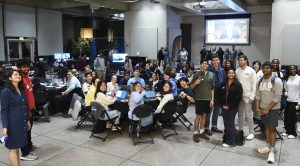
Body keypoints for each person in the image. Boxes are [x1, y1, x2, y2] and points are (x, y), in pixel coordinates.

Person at [1, 70, 31, 166]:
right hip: (12, 125)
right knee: (13, 148)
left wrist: (27, 121)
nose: (18, 75)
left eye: (19, 74)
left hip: (21, 123)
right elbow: (4, 110)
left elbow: (25, 107)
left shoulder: (21, 90)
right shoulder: (6, 92)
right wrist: (5, 127)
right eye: (15, 74)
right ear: (10, 78)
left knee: (17, 146)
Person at [256, 61, 283, 164]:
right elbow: (258, 94)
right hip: (262, 109)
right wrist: (258, 107)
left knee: (272, 129)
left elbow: (278, 97)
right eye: (264, 68)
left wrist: (267, 108)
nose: (265, 70)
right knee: (266, 127)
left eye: (267, 68)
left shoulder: (276, 81)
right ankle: (267, 146)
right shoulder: (260, 81)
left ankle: (272, 151)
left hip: (273, 109)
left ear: (272, 69)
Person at [17, 59, 38, 161]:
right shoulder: (20, 80)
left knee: (29, 129)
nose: (26, 68)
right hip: (25, 110)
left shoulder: (27, 77)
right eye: (24, 67)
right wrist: (26, 110)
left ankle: (29, 145)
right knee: (25, 131)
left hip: (30, 107)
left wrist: (32, 106)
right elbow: (20, 97)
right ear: (19, 68)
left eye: (27, 66)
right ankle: (25, 153)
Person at [190, 59, 215, 142]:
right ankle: (195, 133)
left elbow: (212, 88)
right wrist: (195, 83)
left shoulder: (211, 74)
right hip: (199, 98)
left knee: (204, 116)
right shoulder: (197, 74)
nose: (205, 65)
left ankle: (201, 131)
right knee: (198, 116)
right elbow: (191, 87)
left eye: (206, 63)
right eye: (203, 63)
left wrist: (212, 99)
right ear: (200, 65)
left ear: (208, 65)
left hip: (208, 99)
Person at [217, 68, 243, 147]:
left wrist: (230, 106)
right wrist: (222, 105)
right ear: (227, 74)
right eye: (229, 73)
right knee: (226, 123)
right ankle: (226, 138)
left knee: (230, 123)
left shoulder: (237, 84)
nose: (231, 74)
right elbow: (218, 95)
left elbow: (239, 97)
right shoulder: (223, 84)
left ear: (234, 74)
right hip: (224, 107)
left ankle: (231, 142)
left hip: (232, 107)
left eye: (232, 73)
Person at [235, 55, 257, 140]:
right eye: (239, 60)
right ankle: (240, 130)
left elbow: (254, 85)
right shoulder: (237, 71)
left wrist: (252, 96)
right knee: (240, 114)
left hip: (248, 96)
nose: (240, 62)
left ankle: (252, 132)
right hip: (239, 96)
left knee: (249, 115)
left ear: (246, 61)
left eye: (242, 60)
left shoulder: (251, 71)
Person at [205, 55, 225, 136]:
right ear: (212, 61)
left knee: (216, 111)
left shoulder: (222, 70)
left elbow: (224, 81)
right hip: (211, 94)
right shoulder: (209, 70)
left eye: (217, 60)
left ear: (219, 60)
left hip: (219, 94)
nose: (216, 61)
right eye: (214, 60)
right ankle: (206, 127)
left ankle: (214, 126)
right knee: (209, 112)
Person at [282, 65, 300, 139]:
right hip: (288, 100)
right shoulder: (288, 78)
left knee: (292, 118)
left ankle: (293, 133)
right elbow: (286, 88)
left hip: (295, 101)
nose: (292, 70)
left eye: (294, 69)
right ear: (289, 71)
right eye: (291, 69)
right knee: (286, 117)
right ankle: (287, 131)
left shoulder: (299, 78)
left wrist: (299, 103)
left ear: (296, 70)